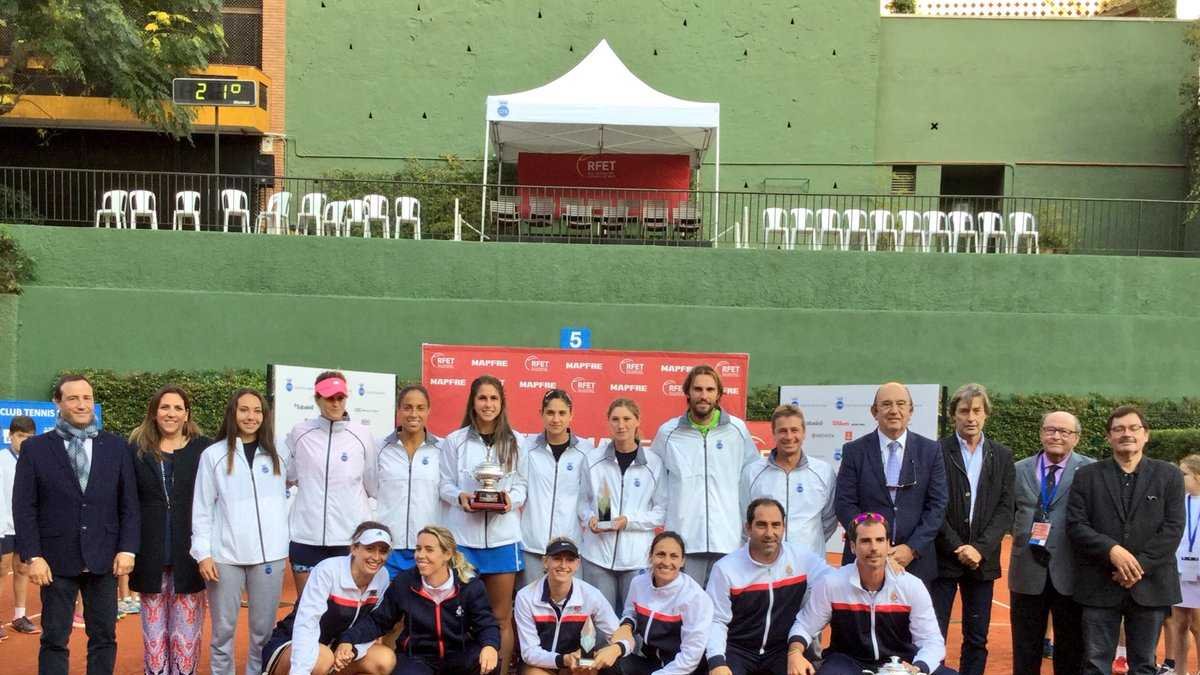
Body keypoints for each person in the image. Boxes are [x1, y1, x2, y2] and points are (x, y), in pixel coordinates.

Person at [12, 374, 139, 675]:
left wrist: (128, 549)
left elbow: (129, 505)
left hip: (104, 559)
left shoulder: (117, 447)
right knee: (55, 639)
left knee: (104, 637)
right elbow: (24, 507)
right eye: (73, 398)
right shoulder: (36, 449)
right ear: (58, 402)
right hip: (55, 561)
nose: (82, 404)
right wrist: (34, 556)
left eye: (87, 398)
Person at [1068, 405, 1185, 675]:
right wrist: (1112, 551)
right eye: (1118, 429)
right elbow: (1076, 525)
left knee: (1144, 665)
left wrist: (1137, 567)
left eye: (1134, 428)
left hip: (1151, 585)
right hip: (1099, 582)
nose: (1127, 434)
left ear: (1146, 435)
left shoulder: (1169, 476)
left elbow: (1173, 528)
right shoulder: (1087, 476)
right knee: (1095, 664)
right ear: (1109, 437)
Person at [191, 388, 290, 675]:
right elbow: (202, 508)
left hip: (269, 557)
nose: (251, 416)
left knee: (264, 633)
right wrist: (203, 554)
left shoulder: (279, 453)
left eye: (257, 410)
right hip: (224, 558)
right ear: (233, 413)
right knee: (223, 632)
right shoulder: (213, 455)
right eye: (244, 409)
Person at [786, 512, 953, 675]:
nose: (873, 548)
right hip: (847, 662)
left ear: (888, 545)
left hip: (900, 663)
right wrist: (794, 653)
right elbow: (804, 626)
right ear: (852, 546)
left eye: (879, 540)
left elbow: (932, 641)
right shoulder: (832, 583)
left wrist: (917, 669)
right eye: (865, 541)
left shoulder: (911, 586)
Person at [439, 375, 527, 675]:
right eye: (482, 398)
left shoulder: (516, 441)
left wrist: (508, 500)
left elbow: (522, 487)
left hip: (503, 541)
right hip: (464, 541)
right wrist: (459, 496)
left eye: (493, 398)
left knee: (501, 618)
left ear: (502, 403)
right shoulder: (455, 440)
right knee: (460, 617)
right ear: (473, 402)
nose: (488, 404)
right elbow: (444, 485)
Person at [929, 384, 1014, 675]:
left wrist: (979, 548)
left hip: (983, 561)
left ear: (986, 414)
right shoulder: (936, 451)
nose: (971, 417)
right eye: (964, 410)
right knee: (934, 635)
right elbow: (934, 505)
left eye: (977, 410)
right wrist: (957, 546)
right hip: (943, 558)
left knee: (977, 638)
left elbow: (1006, 508)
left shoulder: (1002, 455)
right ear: (954, 415)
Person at [336, 525, 500, 675]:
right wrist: (348, 640)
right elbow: (379, 621)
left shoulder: (469, 585)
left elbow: (486, 623)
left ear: (447, 554)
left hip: (459, 654)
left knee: (487, 661)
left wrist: (490, 646)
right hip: (417, 658)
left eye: (429, 550)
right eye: (418, 549)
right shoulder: (405, 582)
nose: (420, 555)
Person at [128, 386, 211, 675]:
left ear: (187, 414)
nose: (171, 413)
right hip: (149, 555)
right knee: (154, 636)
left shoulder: (204, 449)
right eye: (165, 407)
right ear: (154, 412)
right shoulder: (136, 450)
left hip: (189, 557)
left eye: (178, 408)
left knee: (187, 636)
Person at [650, 365, 758, 585]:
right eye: (697, 389)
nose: (703, 395)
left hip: (727, 542)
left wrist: (746, 531)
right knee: (686, 613)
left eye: (710, 390)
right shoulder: (667, 433)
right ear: (687, 392)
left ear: (718, 394)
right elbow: (653, 482)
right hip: (684, 542)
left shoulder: (737, 430)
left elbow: (752, 480)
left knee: (723, 615)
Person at [834, 381, 948, 582]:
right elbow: (845, 503)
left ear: (911, 411)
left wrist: (911, 549)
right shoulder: (854, 451)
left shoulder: (931, 451)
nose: (894, 410)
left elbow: (937, 506)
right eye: (886, 404)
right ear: (874, 411)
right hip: (863, 562)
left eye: (901, 404)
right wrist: (872, 544)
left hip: (916, 564)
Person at [1009, 410, 1094, 675]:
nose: (1056, 435)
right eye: (1050, 429)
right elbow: (1008, 512)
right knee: (1025, 650)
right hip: (1026, 571)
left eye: (1064, 431)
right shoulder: (1018, 469)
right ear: (1041, 433)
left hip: (1071, 573)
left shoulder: (1091, 470)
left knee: (1071, 650)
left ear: (1076, 438)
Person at [706, 497, 829, 675]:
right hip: (737, 651)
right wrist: (716, 662)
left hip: (782, 651)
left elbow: (835, 581)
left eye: (776, 525)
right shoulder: (725, 569)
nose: (770, 533)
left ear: (783, 527)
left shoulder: (802, 559)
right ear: (748, 528)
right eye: (762, 525)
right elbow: (716, 620)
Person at [285, 371, 380, 597]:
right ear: (317, 399)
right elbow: (289, 474)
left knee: (345, 612)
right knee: (307, 610)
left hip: (348, 540)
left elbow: (372, 483)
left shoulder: (362, 435)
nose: (336, 403)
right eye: (329, 398)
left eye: (340, 397)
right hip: (306, 537)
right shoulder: (300, 433)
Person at [262, 522, 396, 675]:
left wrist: (351, 647)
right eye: (369, 549)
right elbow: (307, 622)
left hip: (336, 647)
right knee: (322, 658)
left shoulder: (382, 576)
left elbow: (371, 623)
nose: (376, 557)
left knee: (383, 660)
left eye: (383, 551)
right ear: (354, 548)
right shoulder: (328, 570)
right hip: (295, 642)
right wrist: (299, 671)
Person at [578, 398, 666, 609]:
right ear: (608, 422)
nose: (621, 425)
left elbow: (661, 511)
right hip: (597, 557)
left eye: (627, 419)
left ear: (637, 421)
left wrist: (628, 521)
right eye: (615, 419)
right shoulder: (593, 459)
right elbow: (583, 502)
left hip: (636, 560)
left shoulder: (653, 463)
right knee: (600, 625)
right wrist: (590, 518)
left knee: (633, 623)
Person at [514, 537, 633, 675]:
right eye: (557, 558)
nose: (563, 565)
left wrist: (616, 648)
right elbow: (529, 652)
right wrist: (564, 659)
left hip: (576, 667)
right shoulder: (525, 596)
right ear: (545, 562)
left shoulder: (591, 595)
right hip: (540, 666)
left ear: (577, 564)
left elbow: (625, 638)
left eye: (570, 560)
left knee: (589, 669)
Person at [739, 403, 837, 557]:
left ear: (804, 433)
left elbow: (829, 520)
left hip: (809, 564)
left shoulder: (824, 472)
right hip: (766, 563)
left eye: (795, 430)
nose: (789, 437)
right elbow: (745, 519)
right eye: (783, 431)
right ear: (774, 433)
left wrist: (809, 543)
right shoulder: (752, 472)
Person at [520, 389, 593, 583]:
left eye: (562, 413)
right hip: (532, 547)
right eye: (550, 412)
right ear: (541, 414)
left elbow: (601, 490)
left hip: (569, 549)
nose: (556, 419)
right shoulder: (526, 447)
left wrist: (605, 520)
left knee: (569, 609)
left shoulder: (587, 451)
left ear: (571, 415)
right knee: (531, 606)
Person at [618, 531, 714, 675]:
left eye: (674, 556)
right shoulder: (638, 583)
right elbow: (631, 613)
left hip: (683, 670)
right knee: (611, 663)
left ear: (682, 561)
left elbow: (691, 656)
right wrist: (626, 625)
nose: (666, 562)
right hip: (650, 662)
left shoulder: (695, 597)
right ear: (651, 557)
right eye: (660, 554)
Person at [377, 385, 443, 578]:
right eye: (407, 407)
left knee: (422, 608)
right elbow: (371, 488)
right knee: (385, 607)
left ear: (428, 411)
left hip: (427, 549)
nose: (414, 413)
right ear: (398, 410)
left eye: (420, 408)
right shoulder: (380, 449)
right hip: (388, 547)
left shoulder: (442, 449)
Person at [1, 415, 38, 636]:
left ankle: (19, 616)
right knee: (1, 570)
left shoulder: (35, 460)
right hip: (3, 526)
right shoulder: (2, 460)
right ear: (10, 436)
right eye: (20, 436)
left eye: (29, 437)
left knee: (22, 568)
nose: (24, 441)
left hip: (25, 527)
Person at [1164, 454, 1200, 675]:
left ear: (1198, 476)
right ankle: (1180, 670)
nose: (1179, 477)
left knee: (1197, 625)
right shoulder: (1179, 501)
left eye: (1184, 473)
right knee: (1179, 624)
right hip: (1179, 570)